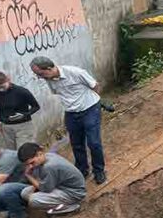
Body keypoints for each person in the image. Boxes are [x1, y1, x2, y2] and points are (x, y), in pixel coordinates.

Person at [29, 56, 107, 184]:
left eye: (40, 74)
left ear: (49, 68)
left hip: (89, 109)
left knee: (94, 143)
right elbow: (58, 93)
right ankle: (82, 170)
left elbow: (95, 86)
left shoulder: (76, 73)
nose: (39, 77)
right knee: (76, 143)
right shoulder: (49, 79)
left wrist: (95, 102)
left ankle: (99, 171)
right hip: (71, 113)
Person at [17, 142, 87, 215]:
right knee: (25, 193)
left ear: (39, 154)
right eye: (28, 164)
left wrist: (28, 175)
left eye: (32, 163)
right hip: (61, 186)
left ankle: (71, 207)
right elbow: (40, 181)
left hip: (74, 193)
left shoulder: (49, 166)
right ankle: (56, 203)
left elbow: (45, 189)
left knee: (34, 200)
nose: (30, 166)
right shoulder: (47, 156)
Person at [0, 71, 40, 150]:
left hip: (23, 126)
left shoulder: (22, 91)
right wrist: (0, 120)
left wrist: (24, 114)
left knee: (24, 151)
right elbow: (2, 107)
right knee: (12, 152)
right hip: (7, 127)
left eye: (2, 86)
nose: (1, 90)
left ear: (8, 80)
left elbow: (36, 106)